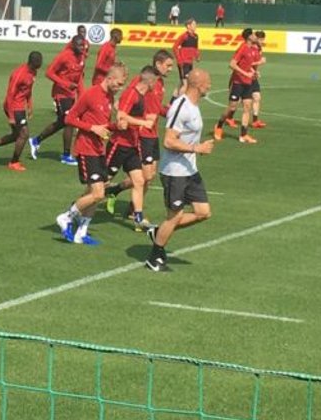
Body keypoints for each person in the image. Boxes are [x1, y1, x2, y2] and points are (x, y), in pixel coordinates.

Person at [145, 68, 215, 272]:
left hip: (190, 170)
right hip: (174, 172)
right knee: (174, 216)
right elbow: (168, 140)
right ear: (199, 85)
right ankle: (155, 256)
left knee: (203, 212)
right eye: (208, 82)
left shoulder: (194, 106)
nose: (210, 85)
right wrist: (197, 148)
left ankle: (159, 231)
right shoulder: (181, 107)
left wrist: (197, 148)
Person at [54, 63, 128, 245]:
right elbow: (69, 118)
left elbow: (102, 126)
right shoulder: (91, 94)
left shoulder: (109, 97)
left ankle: (81, 232)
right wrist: (91, 128)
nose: (120, 88)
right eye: (118, 84)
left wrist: (115, 126)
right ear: (109, 78)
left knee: (96, 192)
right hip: (86, 149)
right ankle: (66, 217)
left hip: (99, 150)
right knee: (97, 193)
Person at [102, 66, 159, 231]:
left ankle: (138, 218)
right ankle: (78, 207)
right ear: (150, 81)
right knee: (101, 183)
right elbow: (121, 116)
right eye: (156, 81)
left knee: (139, 181)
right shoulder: (132, 94)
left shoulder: (141, 96)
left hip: (132, 146)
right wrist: (143, 123)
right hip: (119, 145)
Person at [0, 51, 42, 171]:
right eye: (38, 63)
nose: (40, 65)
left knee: (16, 136)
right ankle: (14, 162)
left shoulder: (33, 71)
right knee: (24, 134)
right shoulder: (19, 74)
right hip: (13, 107)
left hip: (20, 107)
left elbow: (28, 90)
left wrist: (29, 105)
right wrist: (11, 116)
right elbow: (10, 94)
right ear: (32, 62)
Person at [29, 34, 86, 165]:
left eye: (83, 45)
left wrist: (81, 95)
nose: (82, 48)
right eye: (79, 45)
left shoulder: (82, 57)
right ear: (73, 45)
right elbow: (49, 72)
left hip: (71, 95)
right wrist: (65, 84)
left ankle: (36, 141)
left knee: (61, 122)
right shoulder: (64, 56)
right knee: (69, 121)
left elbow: (79, 78)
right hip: (60, 94)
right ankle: (66, 156)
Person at [214, 28, 256, 139]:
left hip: (248, 83)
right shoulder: (242, 48)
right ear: (249, 37)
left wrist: (253, 72)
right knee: (232, 107)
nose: (255, 35)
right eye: (253, 34)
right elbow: (232, 64)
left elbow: (247, 64)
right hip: (238, 82)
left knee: (247, 107)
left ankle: (243, 135)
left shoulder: (252, 49)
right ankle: (219, 126)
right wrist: (245, 74)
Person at [171, 18, 200, 92]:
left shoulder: (196, 36)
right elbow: (175, 47)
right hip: (183, 63)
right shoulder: (184, 36)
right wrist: (179, 59)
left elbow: (196, 48)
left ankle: (172, 102)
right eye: (194, 24)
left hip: (190, 62)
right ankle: (181, 102)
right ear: (188, 26)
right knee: (186, 84)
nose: (195, 26)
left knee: (182, 84)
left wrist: (197, 56)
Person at [249, 30, 268, 129]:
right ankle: (228, 117)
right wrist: (260, 63)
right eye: (260, 39)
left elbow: (255, 63)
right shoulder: (250, 48)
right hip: (246, 75)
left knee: (257, 97)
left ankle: (255, 120)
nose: (262, 41)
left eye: (263, 39)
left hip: (253, 76)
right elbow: (247, 63)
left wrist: (256, 71)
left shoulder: (260, 48)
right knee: (236, 103)